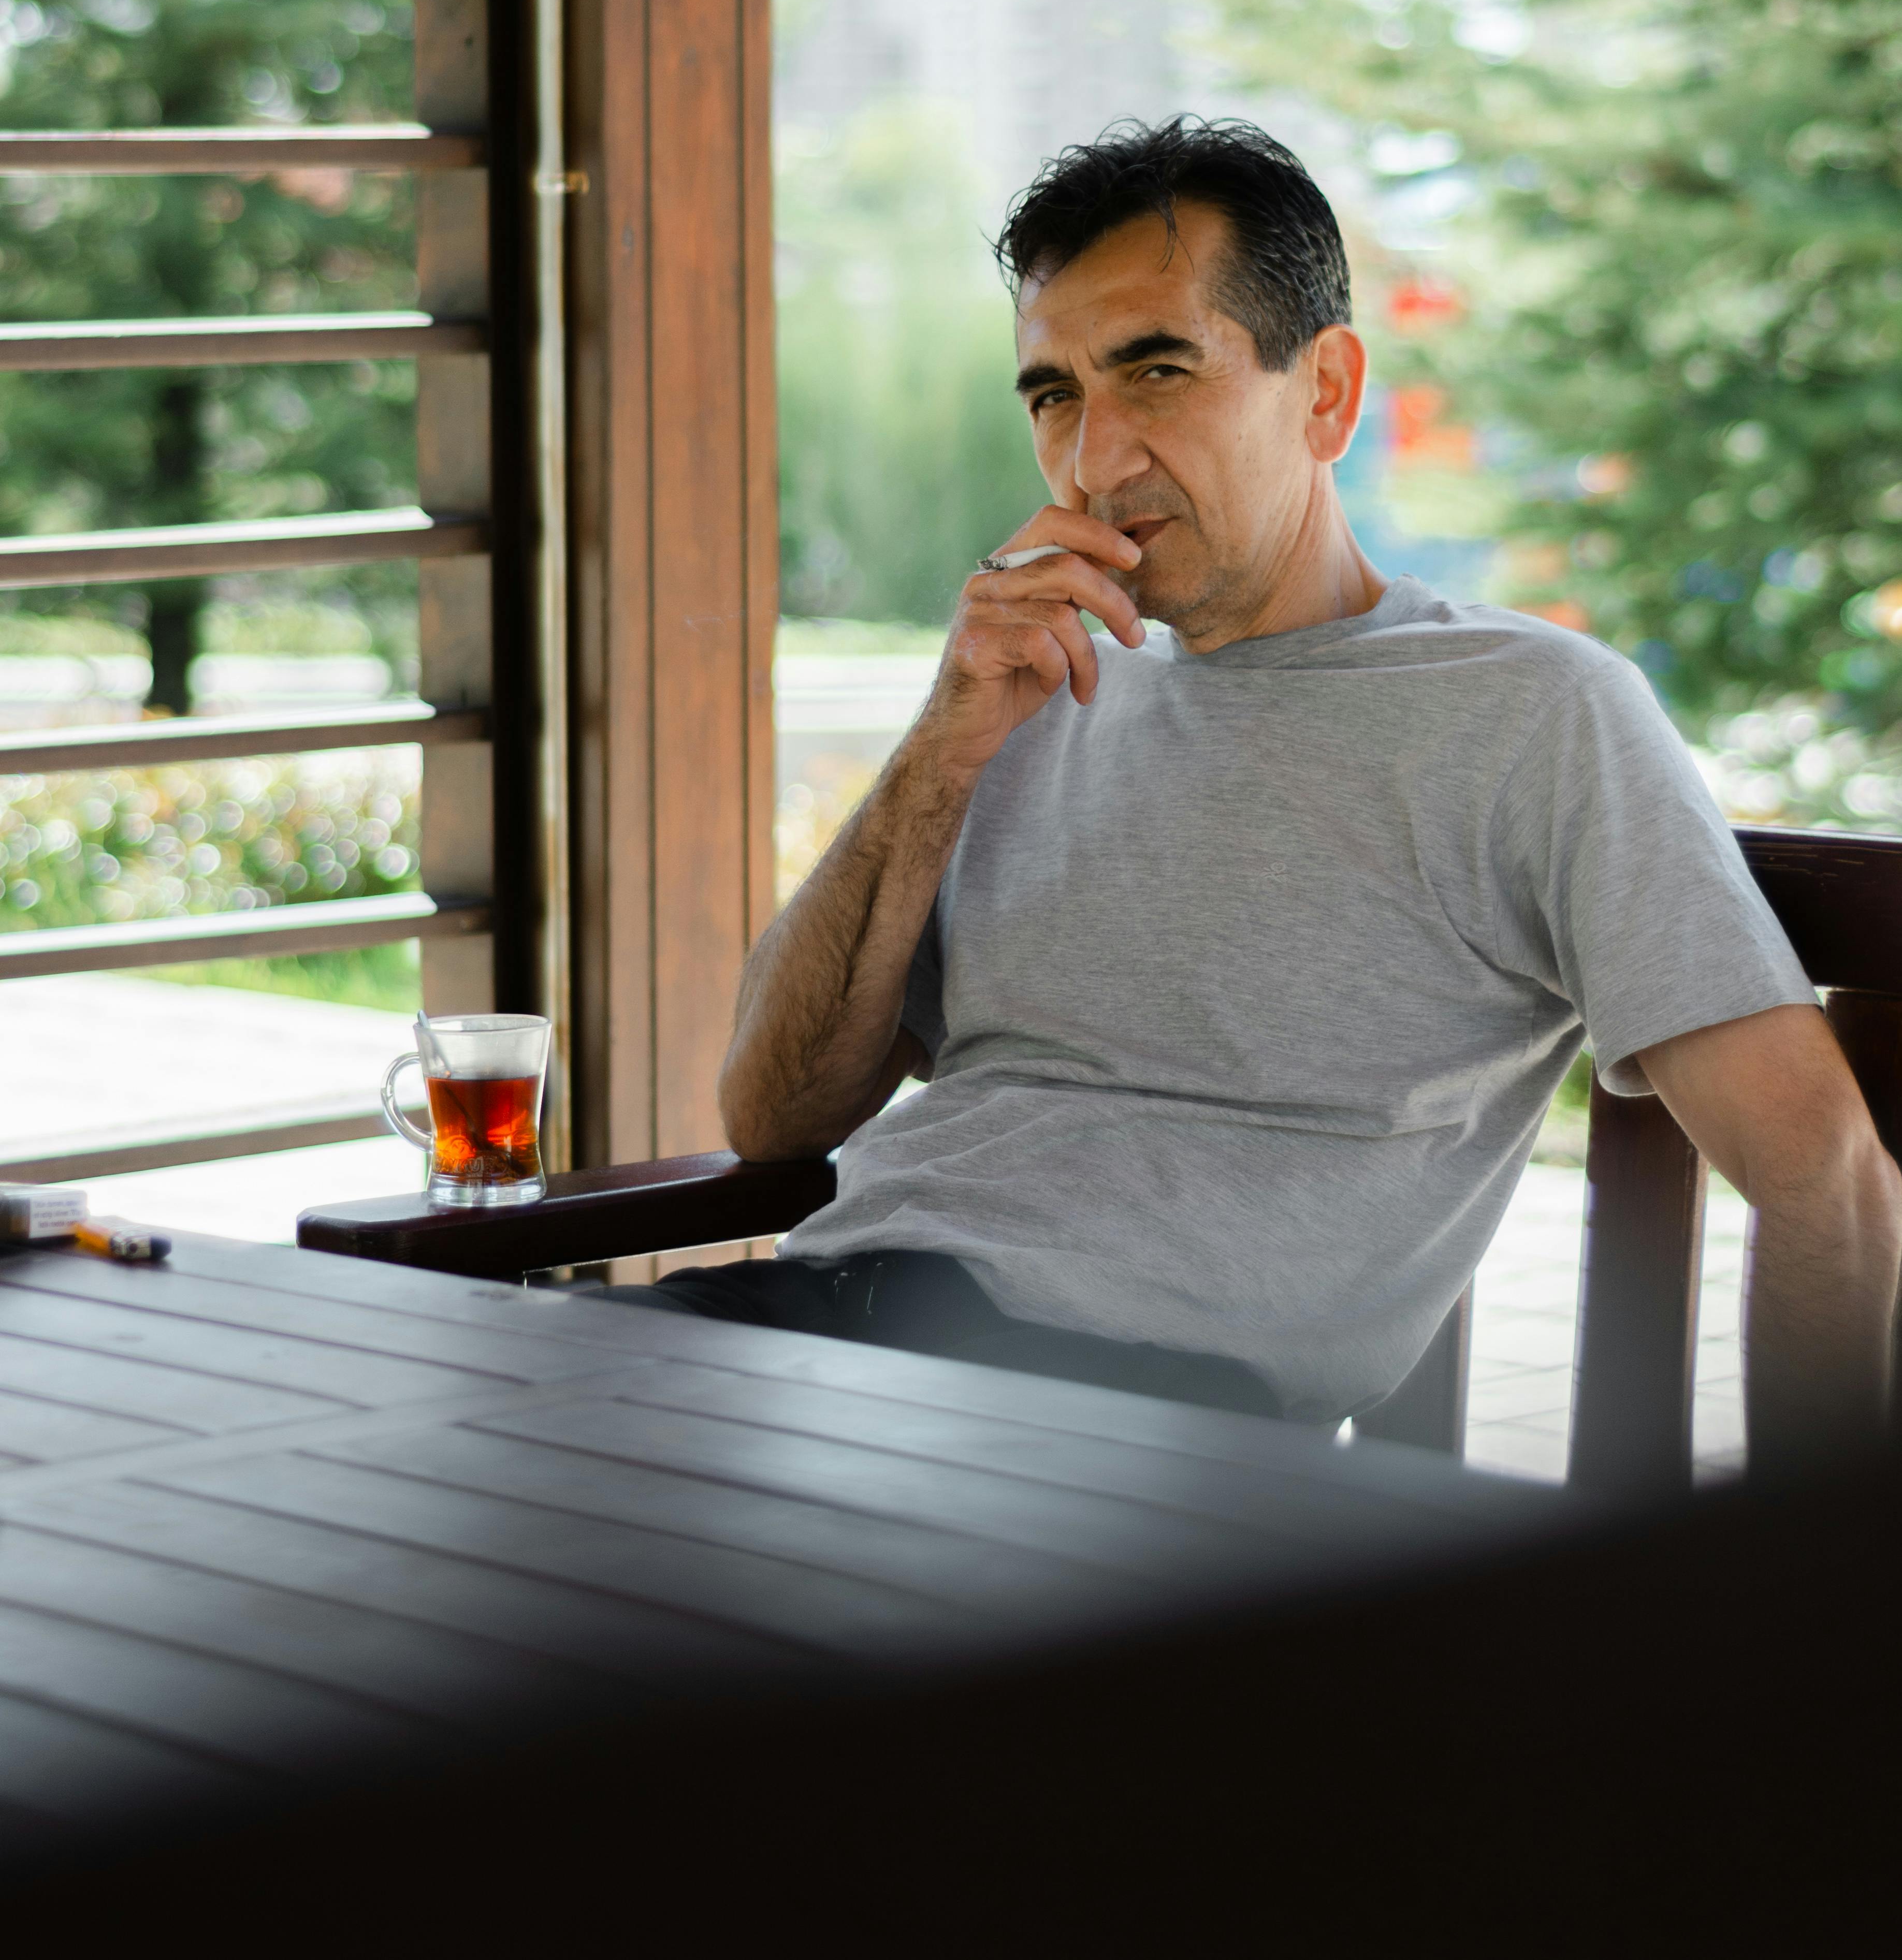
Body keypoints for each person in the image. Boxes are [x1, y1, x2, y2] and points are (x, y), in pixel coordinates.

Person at [623, 119, 1901, 1467]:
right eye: (1051, 393)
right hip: (800, 1337)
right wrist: (940, 751)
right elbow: (772, 1116)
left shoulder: (1527, 712)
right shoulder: (1032, 686)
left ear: (1328, 394)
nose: (1092, 459)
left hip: (1121, 1438)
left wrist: (1805, 1617)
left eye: (1157, 371)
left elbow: (1830, 1185)